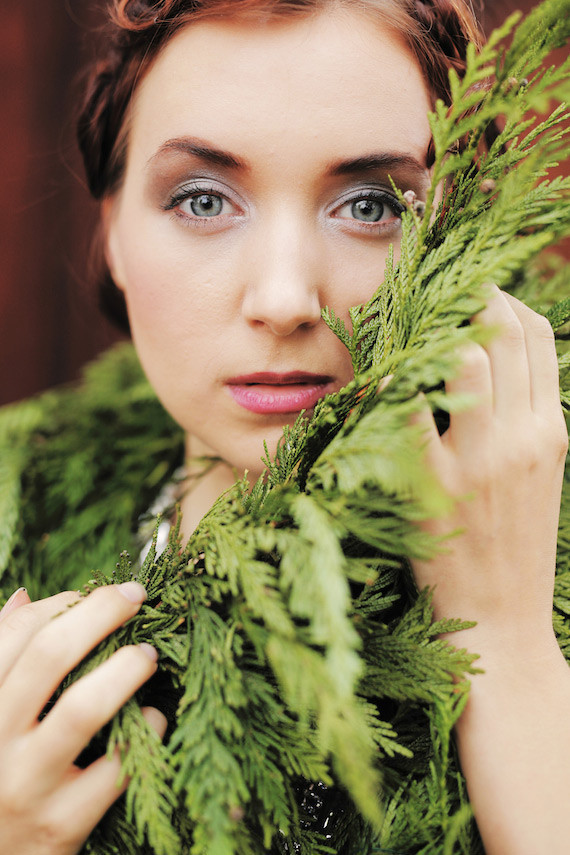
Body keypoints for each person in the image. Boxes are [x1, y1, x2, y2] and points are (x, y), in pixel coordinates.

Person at [0, 0, 568, 853]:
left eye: (373, 205)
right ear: (112, 229)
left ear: (461, 230)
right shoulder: (19, 502)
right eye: (201, 199)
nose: (284, 300)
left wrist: (508, 647)